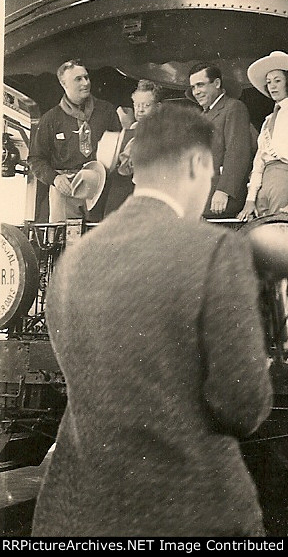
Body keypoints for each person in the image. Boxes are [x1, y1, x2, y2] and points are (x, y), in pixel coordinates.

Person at [31, 102, 273, 537]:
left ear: (135, 167)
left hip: (77, 514)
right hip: (188, 513)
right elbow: (241, 407)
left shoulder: (74, 261)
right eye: (213, 170)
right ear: (199, 163)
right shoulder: (218, 250)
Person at [28, 59, 121, 222]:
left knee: (98, 240)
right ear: (64, 84)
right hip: (65, 189)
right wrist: (55, 179)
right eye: (78, 79)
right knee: (66, 243)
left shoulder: (106, 111)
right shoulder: (50, 119)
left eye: (86, 77)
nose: (86, 83)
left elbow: (119, 146)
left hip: (99, 185)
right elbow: (36, 159)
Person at [237, 51, 288, 220]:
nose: (272, 86)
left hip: (285, 181)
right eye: (269, 82)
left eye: (278, 81)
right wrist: (250, 199)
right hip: (264, 181)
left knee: (281, 236)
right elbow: (259, 161)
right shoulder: (268, 120)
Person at [187, 62, 254, 218]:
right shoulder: (203, 116)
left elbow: (237, 152)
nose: (196, 92)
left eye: (200, 85)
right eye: (193, 87)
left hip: (221, 199)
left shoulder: (234, 107)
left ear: (216, 83)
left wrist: (224, 190)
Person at [103, 79, 163, 215]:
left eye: (146, 105)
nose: (140, 110)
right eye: (137, 105)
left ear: (158, 107)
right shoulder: (130, 131)